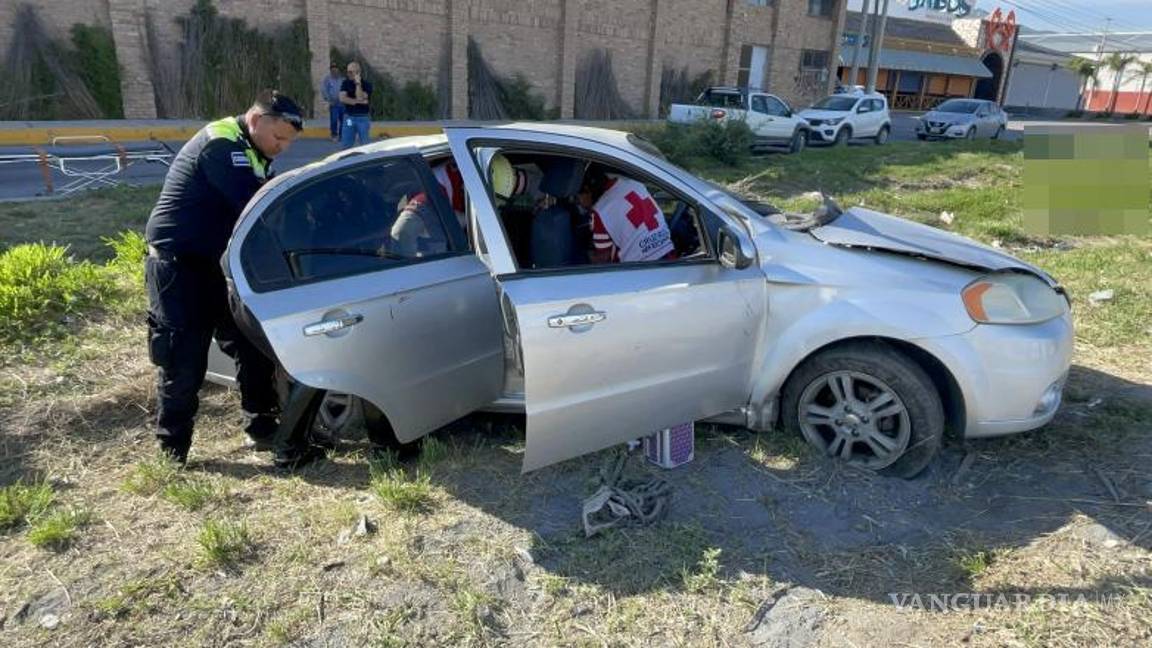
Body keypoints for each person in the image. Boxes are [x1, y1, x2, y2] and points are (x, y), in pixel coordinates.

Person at [143, 90, 317, 469]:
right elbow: (254, 209)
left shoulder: (253, 149)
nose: (283, 148)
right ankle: (172, 453)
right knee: (183, 359)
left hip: (215, 265)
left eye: (289, 141)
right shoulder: (222, 145)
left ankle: (261, 428)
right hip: (178, 268)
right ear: (256, 121)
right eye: (279, 138)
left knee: (249, 343)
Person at [578, 165, 674, 264]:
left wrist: (584, 254)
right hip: (669, 257)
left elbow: (603, 259)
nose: (579, 202)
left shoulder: (600, 211)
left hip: (640, 270)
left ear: (587, 190)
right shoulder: (634, 184)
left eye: (578, 197)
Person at [340, 61, 372, 149]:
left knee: (365, 144)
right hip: (349, 118)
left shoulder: (367, 85)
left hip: (363, 118)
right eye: (347, 72)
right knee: (346, 144)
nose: (348, 74)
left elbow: (360, 97)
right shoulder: (345, 83)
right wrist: (358, 101)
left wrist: (358, 84)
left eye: (350, 72)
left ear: (358, 72)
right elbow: (342, 99)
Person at [322, 63, 345, 142]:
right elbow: (324, 90)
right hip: (334, 104)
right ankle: (334, 135)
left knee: (343, 121)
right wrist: (329, 99)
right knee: (334, 120)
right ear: (330, 70)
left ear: (338, 69)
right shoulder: (327, 79)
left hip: (343, 103)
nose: (334, 69)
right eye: (332, 68)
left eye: (336, 68)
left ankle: (342, 136)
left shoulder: (342, 79)